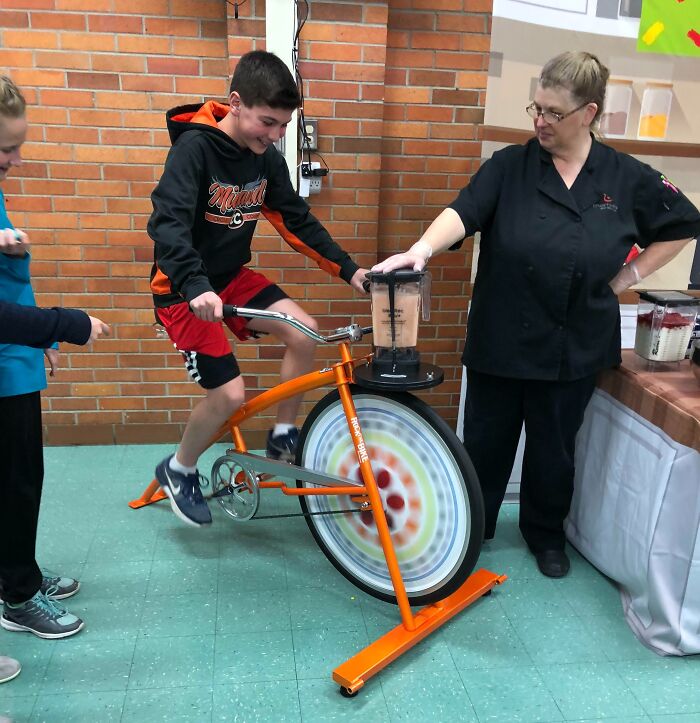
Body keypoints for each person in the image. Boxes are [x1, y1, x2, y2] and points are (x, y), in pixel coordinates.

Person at [372, 51, 700, 578]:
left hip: (574, 341)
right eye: (536, 108)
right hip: (502, 333)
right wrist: (422, 249)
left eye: (554, 112)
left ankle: (545, 534)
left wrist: (626, 280)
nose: (541, 121)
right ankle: (469, 526)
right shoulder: (510, 166)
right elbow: (463, 211)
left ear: (589, 112)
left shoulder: (624, 176)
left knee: (554, 449)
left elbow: (683, 224)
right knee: (484, 443)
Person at [148, 50, 368, 527]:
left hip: (230, 280)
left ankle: (284, 432)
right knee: (228, 395)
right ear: (235, 104)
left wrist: (350, 271)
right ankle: (180, 468)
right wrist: (194, 285)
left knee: (306, 333)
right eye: (267, 122)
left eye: (283, 126)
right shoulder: (194, 150)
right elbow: (167, 226)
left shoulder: (264, 160)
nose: (274, 136)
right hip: (183, 290)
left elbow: (296, 223)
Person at [0, 75, 109, 643]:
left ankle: (21, 573)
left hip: (13, 356)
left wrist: (38, 337)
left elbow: (9, 284)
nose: (15, 160)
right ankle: (17, 596)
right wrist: (65, 325)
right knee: (14, 482)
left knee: (23, 477)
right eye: (4, 151)